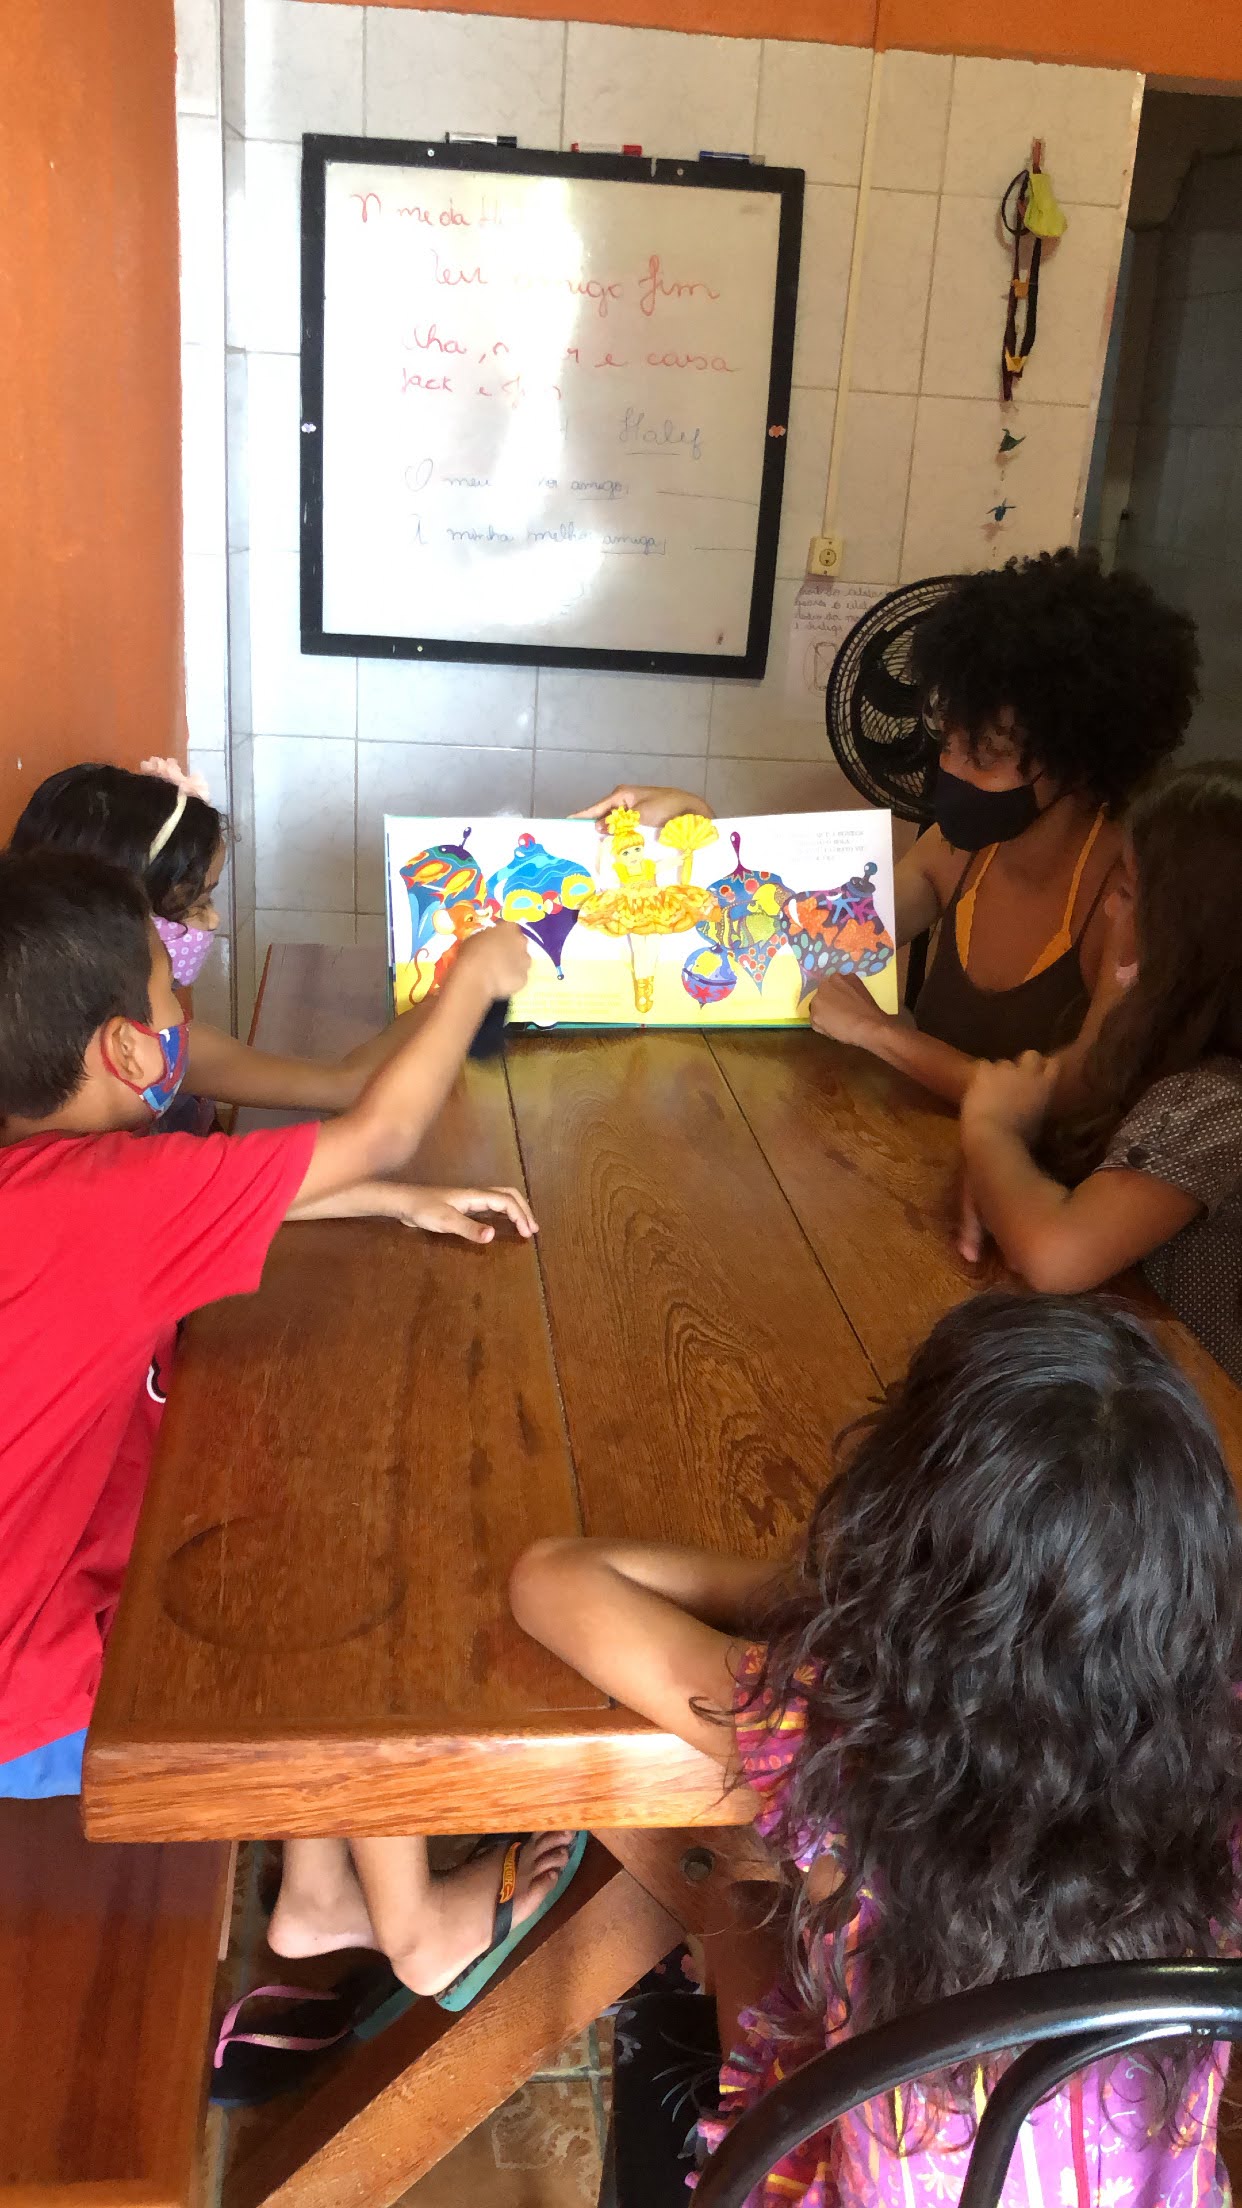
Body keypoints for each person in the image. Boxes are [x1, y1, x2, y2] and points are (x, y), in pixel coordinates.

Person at [0, 848, 578, 2012]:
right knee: (334, 1577)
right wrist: (474, 973)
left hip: (33, 1630)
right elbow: (377, 1130)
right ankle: (415, 1930)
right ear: (124, 1052)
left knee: (272, 1499)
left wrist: (395, 1202)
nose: (183, 1009)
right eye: (169, 994)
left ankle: (319, 1895)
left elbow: (226, 1191)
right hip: (35, 1703)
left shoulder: (46, 1183)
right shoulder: (100, 1202)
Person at [510, 1292, 1242, 2207]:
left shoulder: (849, 1730)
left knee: (732, 1897)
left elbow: (552, 1580)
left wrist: (869, 1607)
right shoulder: (1219, 1748)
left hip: (846, 2170)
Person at [576, 551, 1198, 1103]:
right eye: (948, 743)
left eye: (984, 756)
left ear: (1079, 760)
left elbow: (1073, 1094)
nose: (950, 770)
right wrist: (699, 838)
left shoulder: (1128, 896)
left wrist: (881, 1034)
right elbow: (803, 936)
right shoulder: (956, 853)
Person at [958, 760, 1242, 1385]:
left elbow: (1055, 1257)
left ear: (1190, 932)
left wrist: (990, 1131)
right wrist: (1002, 1169)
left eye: (1131, 892)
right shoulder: (1169, 1038)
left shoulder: (1217, 1103)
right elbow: (1058, 1090)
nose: (1111, 905)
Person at [9, 757, 429, 1127]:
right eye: (195, 904)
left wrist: (442, 996)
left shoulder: (161, 1046)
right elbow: (365, 1128)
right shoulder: (69, 1136)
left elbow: (345, 1084)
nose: (212, 921)